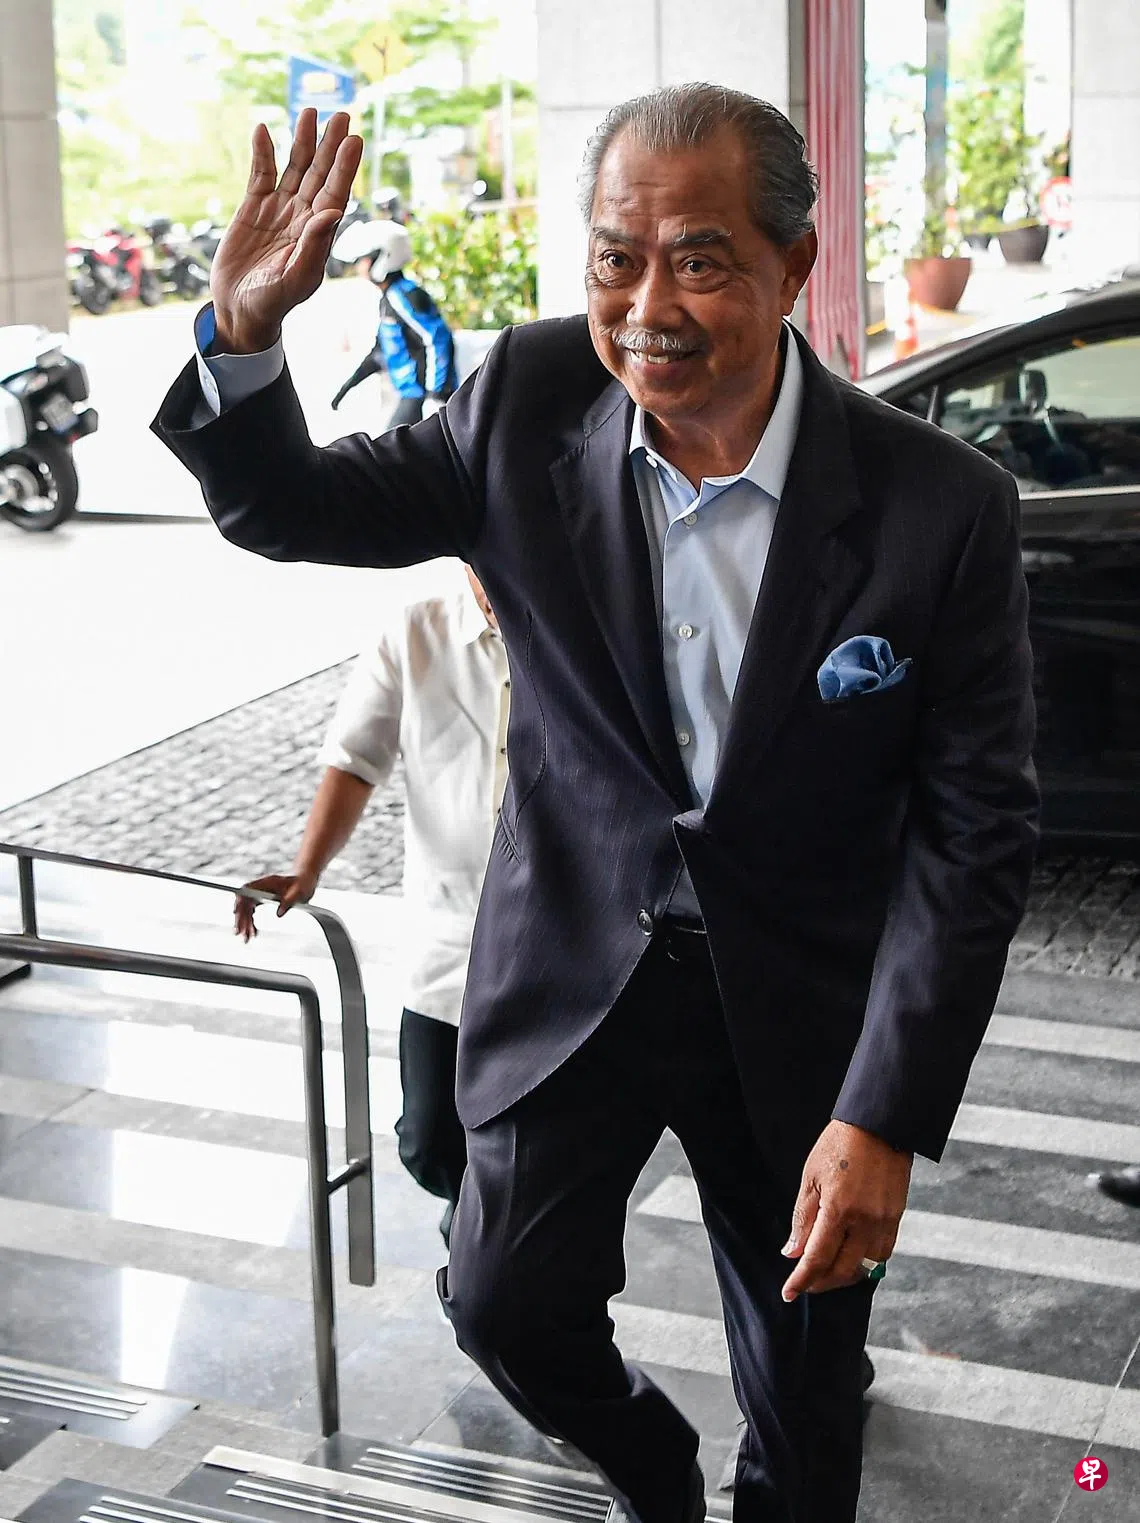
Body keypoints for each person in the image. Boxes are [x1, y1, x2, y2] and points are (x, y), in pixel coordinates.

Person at [154, 86, 1039, 1523]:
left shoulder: (939, 503)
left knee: (809, 1387)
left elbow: (975, 832)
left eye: (699, 261)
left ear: (795, 264)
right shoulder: (526, 398)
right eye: (615, 259)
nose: (647, 309)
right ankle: (653, 1470)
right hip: (576, 963)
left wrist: (884, 1110)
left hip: (800, 1002)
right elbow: (291, 507)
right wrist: (245, 335)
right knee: (499, 1301)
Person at [232, 569, 508, 1246]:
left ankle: (492, 1258)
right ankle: (479, 1229)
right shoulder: (415, 631)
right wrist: (308, 867)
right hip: (449, 942)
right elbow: (356, 759)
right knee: (429, 1138)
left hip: (558, 945)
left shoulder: (575, 625)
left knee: (539, 1139)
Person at [330, 219, 457, 425]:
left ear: (383, 257)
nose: (360, 267)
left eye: (363, 260)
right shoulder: (389, 299)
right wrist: (348, 386)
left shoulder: (405, 296)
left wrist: (436, 395)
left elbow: (438, 339)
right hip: (412, 394)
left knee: (393, 442)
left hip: (422, 395)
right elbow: (381, 352)